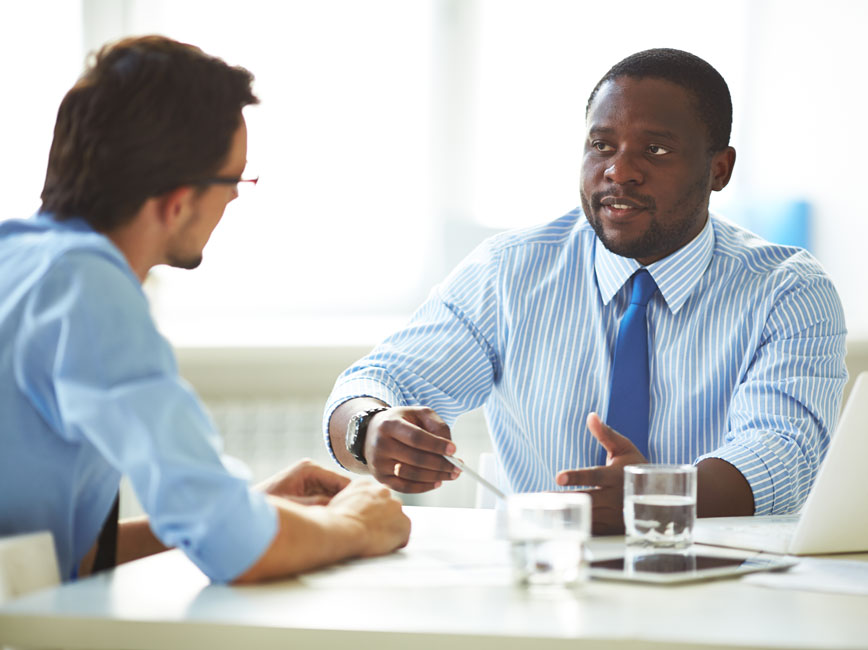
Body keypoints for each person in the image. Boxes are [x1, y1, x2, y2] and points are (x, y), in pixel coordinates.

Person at [323, 48, 847, 533]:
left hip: (722, 582)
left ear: (719, 169)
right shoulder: (511, 270)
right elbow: (380, 379)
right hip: (543, 578)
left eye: (656, 149)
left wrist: (658, 494)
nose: (619, 171)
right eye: (601, 146)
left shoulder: (788, 291)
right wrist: (369, 430)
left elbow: (785, 453)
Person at [0, 35, 409, 584]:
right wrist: (358, 526)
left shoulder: (18, 257)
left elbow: (48, 562)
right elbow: (236, 550)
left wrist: (248, 508)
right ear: (177, 199)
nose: (236, 198)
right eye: (234, 179)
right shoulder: (89, 288)